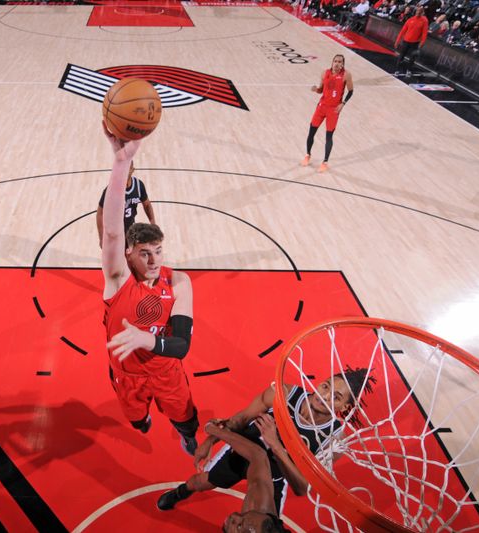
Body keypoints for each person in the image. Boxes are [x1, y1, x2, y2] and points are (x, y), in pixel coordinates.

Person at [157, 367, 376, 531]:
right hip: (241, 451)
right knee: (200, 482)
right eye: (325, 386)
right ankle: (181, 492)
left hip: (274, 475)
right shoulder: (283, 394)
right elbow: (241, 419)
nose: (324, 395)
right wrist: (209, 441)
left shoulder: (335, 439)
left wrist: (275, 444)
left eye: (336, 397)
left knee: (261, 526)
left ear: (345, 407)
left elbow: (302, 488)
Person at [101, 122, 199, 456]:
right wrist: (120, 165)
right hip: (127, 375)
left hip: (165, 369)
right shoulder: (117, 280)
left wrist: (148, 341)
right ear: (129, 253)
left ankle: (186, 434)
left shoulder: (179, 282)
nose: (154, 260)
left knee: (185, 417)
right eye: (145, 253)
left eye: (158, 251)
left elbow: (182, 345)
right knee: (137, 420)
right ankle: (142, 421)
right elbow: (112, 233)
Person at [205, 421, 284, 533]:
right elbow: (257, 455)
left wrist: (211, 429)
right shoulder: (259, 503)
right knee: (204, 480)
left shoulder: (253, 520)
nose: (234, 517)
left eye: (239, 526)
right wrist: (213, 431)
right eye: (244, 516)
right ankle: (180, 492)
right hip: (267, 478)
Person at [301, 54, 354, 173]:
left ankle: (325, 162)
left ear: (343, 64)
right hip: (321, 107)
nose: (337, 63)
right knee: (311, 132)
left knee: (328, 137)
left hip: (334, 110)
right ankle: (307, 155)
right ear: (332, 62)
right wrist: (316, 90)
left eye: (340, 62)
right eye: (335, 61)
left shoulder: (346, 75)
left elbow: (351, 91)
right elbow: (321, 90)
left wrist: (343, 103)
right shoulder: (324, 73)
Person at [96, 161, 156, 248]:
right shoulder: (111, 190)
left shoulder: (139, 186)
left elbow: (147, 205)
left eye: (127, 168)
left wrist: (153, 222)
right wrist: (101, 237)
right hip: (114, 233)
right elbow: (100, 213)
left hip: (130, 230)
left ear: (132, 170)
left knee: (132, 257)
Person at [394, 6, 429, 77]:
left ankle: (409, 70)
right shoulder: (410, 20)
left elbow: (424, 33)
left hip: (415, 43)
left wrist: (422, 43)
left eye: (420, 12)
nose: (418, 13)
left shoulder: (424, 21)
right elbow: (402, 31)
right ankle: (397, 70)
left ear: (422, 13)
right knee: (401, 56)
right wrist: (397, 41)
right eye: (417, 12)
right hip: (406, 41)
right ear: (415, 12)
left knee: (412, 58)